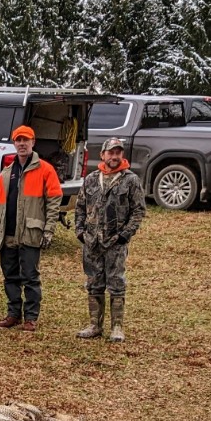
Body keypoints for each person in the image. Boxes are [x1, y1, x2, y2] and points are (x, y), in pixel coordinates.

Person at [0, 125, 62, 332]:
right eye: (18, 140)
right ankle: (13, 314)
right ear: (14, 143)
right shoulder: (6, 173)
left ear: (33, 142)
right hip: (8, 233)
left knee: (30, 277)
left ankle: (30, 318)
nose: (22, 144)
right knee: (10, 276)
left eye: (25, 140)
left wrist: (48, 230)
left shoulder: (45, 169)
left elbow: (54, 201)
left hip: (30, 232)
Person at [74, 137, 146, 342]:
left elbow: (138, 211)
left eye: (118, 153)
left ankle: (117, 327)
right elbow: (80, 207)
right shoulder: (91, 179)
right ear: (102, 155)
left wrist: (125, 235)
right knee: (93, 284)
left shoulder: (130, 180)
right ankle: (95, 325)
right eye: (111, 153)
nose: (114, 156)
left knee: (116, 284)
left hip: (115, 243)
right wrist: (80, 231)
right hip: (92, 242)